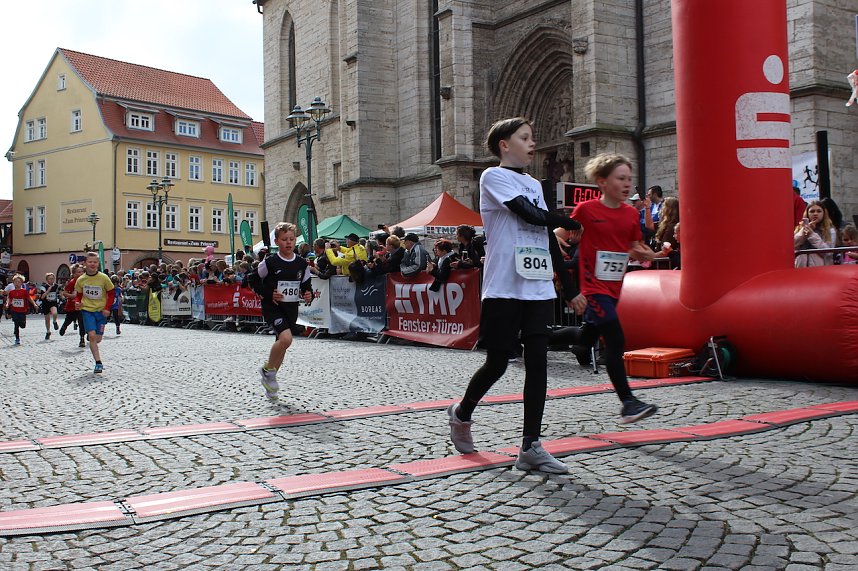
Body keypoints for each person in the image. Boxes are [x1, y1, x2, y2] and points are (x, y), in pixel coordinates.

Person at [446, 117, 581, 474]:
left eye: (533, 137)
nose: (532, 143)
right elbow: (527, 213)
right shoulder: (493, 177)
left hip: (536, 286)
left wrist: (570, 289)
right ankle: (462, 413)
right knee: (498, 362)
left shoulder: (535, 183)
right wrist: (564, 218)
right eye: (524, 138)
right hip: (504, 285)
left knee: (538, 362)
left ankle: (531, 446)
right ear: (505, 145)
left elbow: (546, 237)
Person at [565, 153, 659, 424]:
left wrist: (646, 254)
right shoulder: (586, 211)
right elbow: (565, 234)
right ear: (602, 182)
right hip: (593, 287)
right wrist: (559, 245)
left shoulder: (631, 214)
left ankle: (537, 339)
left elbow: (633, 246)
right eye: (621, 178)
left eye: (629, 178)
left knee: (586, 337)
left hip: (615, 286)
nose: (627, 184)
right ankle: (628, 402)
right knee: (615, 339)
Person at [247, 222, 313, 403]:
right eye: (284, 240)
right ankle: (268, 371)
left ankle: (269, 378)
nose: (289, 243)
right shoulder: (270, 262)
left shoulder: (302, 263)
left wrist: (308, 294)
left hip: (290, 308)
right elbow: (251, 279)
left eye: (292, 239)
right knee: (286, 339)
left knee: (282, 344)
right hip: (272, 307)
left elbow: (307, 286)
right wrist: (269, 294)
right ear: (277, 241)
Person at [74, 252, 115, 373]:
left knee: (98, 339)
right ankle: (98, 363)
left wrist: (107, 308)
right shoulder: (81, 280)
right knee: (92, 336)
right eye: (90, 262)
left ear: (98, 264)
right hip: (87, 310)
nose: (92, 264)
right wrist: (77, 302)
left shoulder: (104, 278)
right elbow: (78, 295)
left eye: (95, 262)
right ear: (85, 263)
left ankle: (92, 336)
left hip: (101, 312)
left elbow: (111, 293)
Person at [794, 200, 836, 267]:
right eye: (812, 211)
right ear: (807, 213)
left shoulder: (830, 230)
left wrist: (811, 234)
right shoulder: (800, 228)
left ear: (823, 213)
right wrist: (804, 231)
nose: (815, 214)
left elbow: (828, 252)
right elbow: (793, 245)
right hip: (800, 267)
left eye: (819, 211)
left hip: (821, 269)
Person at [5, 274, 38, 345]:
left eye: (19, 282)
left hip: (22, 310)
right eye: (15, 282)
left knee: (22, 326)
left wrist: (34, 304)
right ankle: (17, 338)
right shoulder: (11, 292)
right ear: (13, 283)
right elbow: (9, 298)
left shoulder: (24, 291)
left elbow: (29, 298)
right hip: (14, 310)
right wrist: (7, 304)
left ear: (21, 283)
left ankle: (20, 324)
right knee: (16, 323)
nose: (17, 283)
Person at [59, 264, 86, 348]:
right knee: (69, 319)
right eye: (78, 272)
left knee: (82, 321)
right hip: (72, 305)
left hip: (83, 305)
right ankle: (64, 326)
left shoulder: (86, 281)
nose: (80, 274)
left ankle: (82, 339)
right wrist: (72, 296)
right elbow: (65, 292)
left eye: (81, 272)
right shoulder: (72, 282)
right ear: (74, 274)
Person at [39, 272, 61, 339]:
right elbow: (42, 297)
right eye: (49, 279)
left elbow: (60, 292)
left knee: (55, 313)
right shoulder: (43, 287)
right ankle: (48, 331)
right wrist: (48, 291)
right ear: (47, 280)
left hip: (53, 303)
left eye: (52, 279)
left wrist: (61, 296)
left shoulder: (56, 286)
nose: (51, 280)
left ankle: (54, 321)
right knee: (47, 319)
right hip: (46, 303)